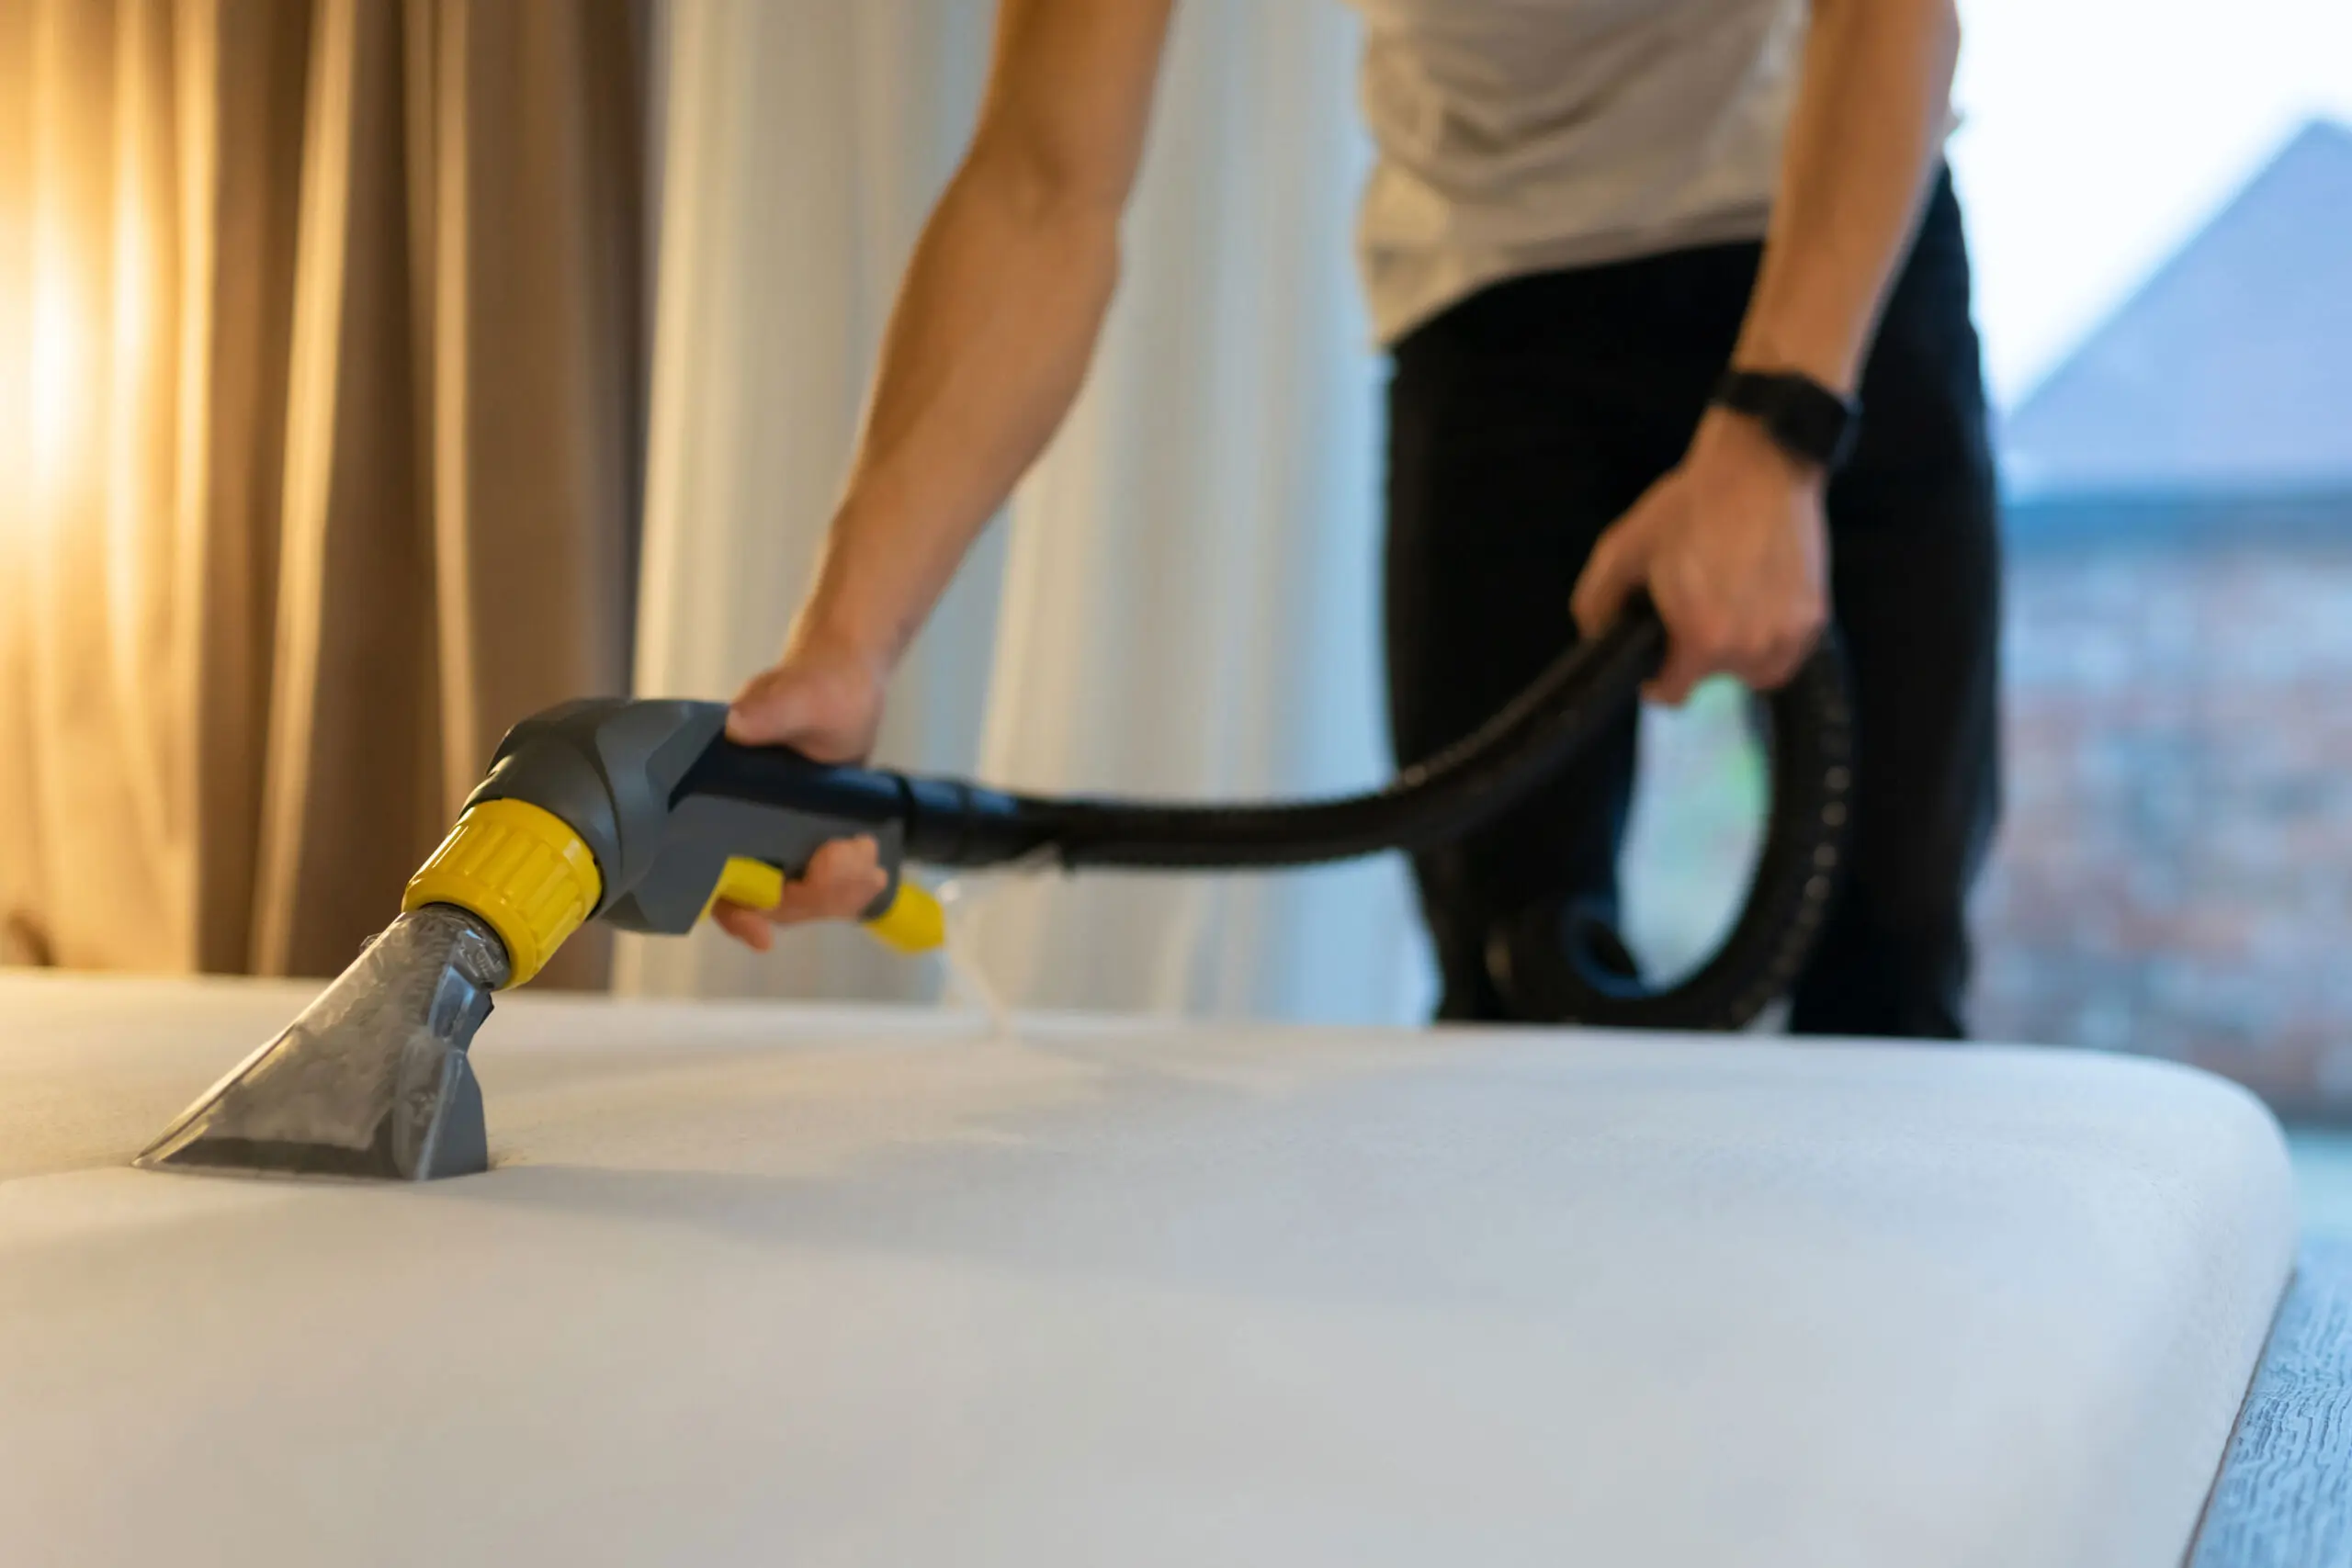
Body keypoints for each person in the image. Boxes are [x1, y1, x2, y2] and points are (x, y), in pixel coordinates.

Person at [715, 0, 2000, 1039]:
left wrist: (1777, 434)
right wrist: (846, 650)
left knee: (1886, 946)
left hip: (1831, 235)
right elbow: (1043, 185)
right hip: (1497, 296)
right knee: (1513, 977)